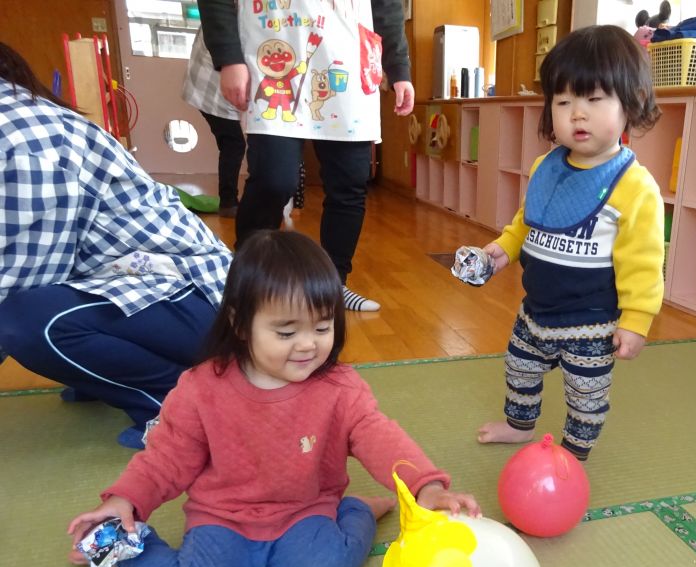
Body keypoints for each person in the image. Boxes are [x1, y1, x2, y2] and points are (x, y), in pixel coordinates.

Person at [68, 230, 481, 567]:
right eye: (286, 332)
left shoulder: (338, 387)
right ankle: (126, 544)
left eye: (322, 327)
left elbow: (380, 437)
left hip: (304, 511)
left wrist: (424, 486)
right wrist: (125, 501)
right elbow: (165, 460)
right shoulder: (201, 390)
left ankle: (357, 510)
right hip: (224, 518)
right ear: (239, 323)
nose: (308, 344)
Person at [0, 41, 232, 449]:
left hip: (203, 301)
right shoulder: (20, 120)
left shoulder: (19, 138)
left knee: (24, 320)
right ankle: (116, 371)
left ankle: (177, 407)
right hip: (159, 289)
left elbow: (22, 277)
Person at [474, 25, 665, 462]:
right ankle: (520, 425)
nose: (577, 114)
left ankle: (573, 453)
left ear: (629, 104)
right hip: (534, 311)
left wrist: (636, 319)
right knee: (519, 369)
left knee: (586, 394)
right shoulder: (546, 166)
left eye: (594, 100)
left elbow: (645, 263)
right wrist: (500, 251)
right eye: (563, 102)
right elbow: (528, 222)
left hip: (591, 323)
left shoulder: (635, 187)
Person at [197, 0, 416, 312]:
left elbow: (387, 5)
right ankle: (246, 283)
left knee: (350, 184)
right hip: (272, 55)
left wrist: (399, 69)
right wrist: (228, 57)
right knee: (274, 180)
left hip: (348, 63)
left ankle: (333, 285)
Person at [182, 27, 246, 218]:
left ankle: (229, 201)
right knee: (233, 144)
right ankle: (228, 202)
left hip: (210, 87)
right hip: (212, 89)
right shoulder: (223, 21)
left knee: (232, 143)